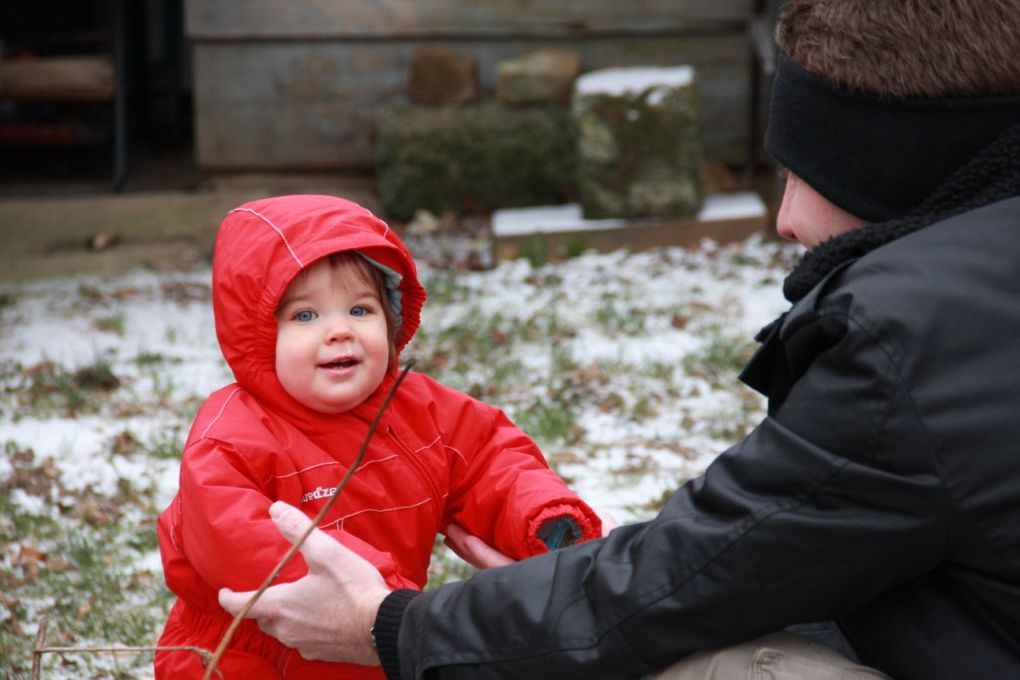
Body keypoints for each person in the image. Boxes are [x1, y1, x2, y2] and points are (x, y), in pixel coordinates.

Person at [219, 0, 1020, 678]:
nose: (785, 220)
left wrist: (396, 623)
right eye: (303, 315)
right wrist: (542, 588)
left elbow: (685, 577)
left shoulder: (909, 338)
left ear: (894, 164)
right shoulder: (983, 282)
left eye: (805, 170)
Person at [154, 194, 604, 678]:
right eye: (306, 316)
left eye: (361, 310)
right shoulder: (231, 438)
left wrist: (541, 518)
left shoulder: (418, 410)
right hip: (251, 654)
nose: (339, 331)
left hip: (375, 641)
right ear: (259, 333)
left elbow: (490, 460)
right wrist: (380, 593)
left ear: (391, 317)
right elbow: (238, 540)